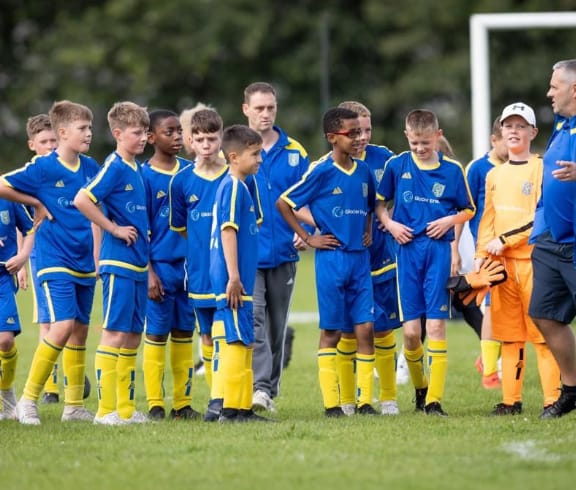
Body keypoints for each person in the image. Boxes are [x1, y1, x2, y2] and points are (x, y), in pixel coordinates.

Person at [0, 100, 99, 424]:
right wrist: (35, 202)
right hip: (54, 259)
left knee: (80, 332)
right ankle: (28, 400)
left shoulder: (90, 167)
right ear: (62, 132)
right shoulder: (42, 168)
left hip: (84, 259)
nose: (89, 133)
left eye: (89, 127)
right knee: (62, 326)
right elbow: (2, 184)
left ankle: (73, 407)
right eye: (83, 128)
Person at [277, 107, 377, 417]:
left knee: (365, 329)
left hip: (360, 262)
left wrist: (368, 230)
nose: (359, 138)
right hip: (331, 261)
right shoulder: (320, 171)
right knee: (332, 332)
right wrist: (309, 238)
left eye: (360, 132)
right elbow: (284, 203)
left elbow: (372, 205)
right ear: (332, 138)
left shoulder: (364, 172)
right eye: (352, 133)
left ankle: (364, 403)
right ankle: (332, 404)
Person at [375, 109, 475, 417]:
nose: (420, 148)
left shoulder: (452, 170)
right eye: (415, 142)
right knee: (410, 333)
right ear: (407, 136)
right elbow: (380, 204)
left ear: (438, 136)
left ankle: (434, 401)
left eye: (426, 143)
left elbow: (468, 209)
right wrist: (390, 225)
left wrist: (448, 220)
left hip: (437, 254)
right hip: (406, 253)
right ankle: (421, 389)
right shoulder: (397, 165)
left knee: (435, 326)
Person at [476, 102, 560, 415]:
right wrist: (482, 256)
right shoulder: (494, 174)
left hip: (534, 262)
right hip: (501, 266)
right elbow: (488, 218)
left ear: (532, 132)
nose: (514, 131)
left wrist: (506, 240)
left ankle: (553, 400)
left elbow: (543, 215)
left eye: (520, 126)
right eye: (509, 125)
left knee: (542, 334)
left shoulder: (541, 167)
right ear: (501, 131)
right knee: (509, 338)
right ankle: (511, 401)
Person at [74, 101, 150, 425]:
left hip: (139, 264)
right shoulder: (115, 165)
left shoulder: (136, 167)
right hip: (118, 263)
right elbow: (83, 199)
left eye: (146, 131)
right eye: (137, 132)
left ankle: (126, 410)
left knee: (133, 335)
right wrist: (114, 229)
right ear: (118, 133)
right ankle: (105, 413)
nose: (144, 137)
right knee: (114, 334)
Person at [242, 82, 310, 412]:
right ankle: (259, 388)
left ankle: (270, 388)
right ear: (246, 110)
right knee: (253, 319)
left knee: (276, 325)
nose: (265, 113)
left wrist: (306, 230)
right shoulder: (237, 150)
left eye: (270, 107)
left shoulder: (296, 152)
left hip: (284, 252)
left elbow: (311, 198)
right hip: (249, 255)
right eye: (259, 108)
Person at [335, 101, 400, 416]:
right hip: (347, 262)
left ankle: (388, 398)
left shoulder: (385, 159)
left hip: (381, 260)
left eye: (367, 130)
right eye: (355, 131)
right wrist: (311, 231)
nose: (362, 136)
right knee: (349, 332)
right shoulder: (328, 165)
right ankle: (350, 400)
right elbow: (301, 202)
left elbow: (403, 194)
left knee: (383, 329)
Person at [169, 108, 229, 421]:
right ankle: (216, 395)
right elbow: (181, 227)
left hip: (229, 272)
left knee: (222, 333)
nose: (206, 145)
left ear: (221, 140)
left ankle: (219, 399)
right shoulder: (181, 182)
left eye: (212, 139)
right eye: (200, 139)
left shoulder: (234, 175)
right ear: (191, 141)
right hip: (198, 271)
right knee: (206, 335)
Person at [141, 109, 199, 421]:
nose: (178, 137)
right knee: (156, 334)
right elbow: (139, 228)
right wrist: (149, 272)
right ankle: (154, 404)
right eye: (170, 132)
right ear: (151, 138)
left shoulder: (191, 172)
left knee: (183, 333)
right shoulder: (144, 177)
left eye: (180, 131)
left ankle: (182, 403)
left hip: (189, 268)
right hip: (160, 267)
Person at [210, 124, 269, 423]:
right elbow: (228, 231)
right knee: (235, 341)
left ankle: (242, 408)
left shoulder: (241, 185)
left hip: (240, 278)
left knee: (245, 340)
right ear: (234, 157)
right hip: (232, 279)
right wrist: (233, 276)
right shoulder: (232, 186)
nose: (260, 159)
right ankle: (231, 411)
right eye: (255, 153)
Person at [529, 59, 576, 418]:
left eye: (554, 86)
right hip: (550, 242)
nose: (549, 92)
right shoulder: (563, 125)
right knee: (545, 315)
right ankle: (573, 389)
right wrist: (540, 226)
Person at [466, 118, 509, 389]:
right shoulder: (478, 169)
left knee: (515, 310)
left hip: (516, 248)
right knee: (493, 307)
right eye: (507, 137)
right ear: (494, 140)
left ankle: (488, 358)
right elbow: (464, 208)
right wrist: (458, 250)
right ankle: (490, 372)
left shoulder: (523, 167)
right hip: (488, 251)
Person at [23, 114, 61, 403]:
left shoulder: (66, 169)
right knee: (47, 322)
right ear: (32, 144)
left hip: (69, 253)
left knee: (68, 322)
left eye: (53, 141)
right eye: (44, 142)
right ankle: (49, 387)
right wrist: (22, 261)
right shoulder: (30, 175)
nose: (50, 146)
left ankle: (66, 381)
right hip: (40, 255)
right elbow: (18, 224)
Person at [0, 199, 34, 420]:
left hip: (3, 276)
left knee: (5, 340)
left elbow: (30, 228)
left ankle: (6, 392)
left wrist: (22, 258)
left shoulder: (7, 193)